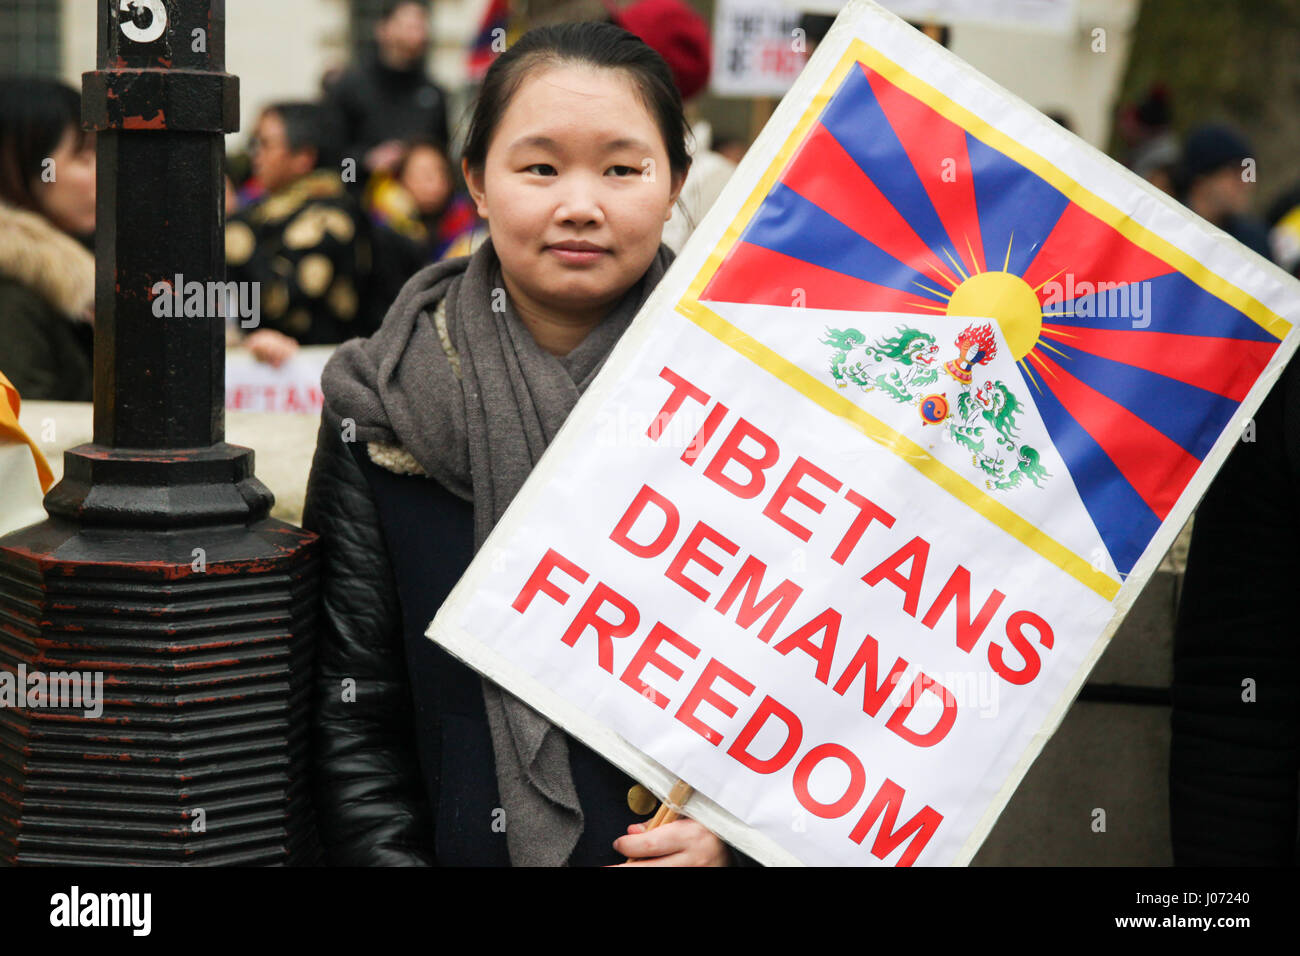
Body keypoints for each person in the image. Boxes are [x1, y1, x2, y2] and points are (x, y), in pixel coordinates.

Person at [304, 21, 744, 866]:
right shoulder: (384, 402)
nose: (581, 203)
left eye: (624, 169)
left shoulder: (753, 401)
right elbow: (355, 716)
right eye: (540, 167)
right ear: (476, 179)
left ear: (675, 181)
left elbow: (825, 694)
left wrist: (743, 840)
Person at [226, 102, 387, 366]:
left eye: (264, 144)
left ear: (303, 157)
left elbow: (279, 301)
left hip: (318, 381)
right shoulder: (260, 210)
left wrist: (234, 234)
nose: (255, 155)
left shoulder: (332, 215)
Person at [0, 77, 95, 402]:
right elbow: (24, 437)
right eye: (84, 157)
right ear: (18, 164)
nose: (104, 171)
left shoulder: (73, 268)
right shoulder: (12, 293)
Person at [323, 0, 450, 181]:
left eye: (422, 26)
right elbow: (330, 158)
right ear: (383, 30)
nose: (417, 34)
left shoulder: (434, 94)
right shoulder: (349, 87)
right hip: (360, 198)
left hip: (418, 203)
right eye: (409, 26)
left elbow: (443, 154)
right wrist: (366, 161)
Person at [1175, 124, 1272, 261]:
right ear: (1201, 179)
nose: (1247, 183)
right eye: (1235, 172)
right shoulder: (1168, 231)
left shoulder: (1254, 242)